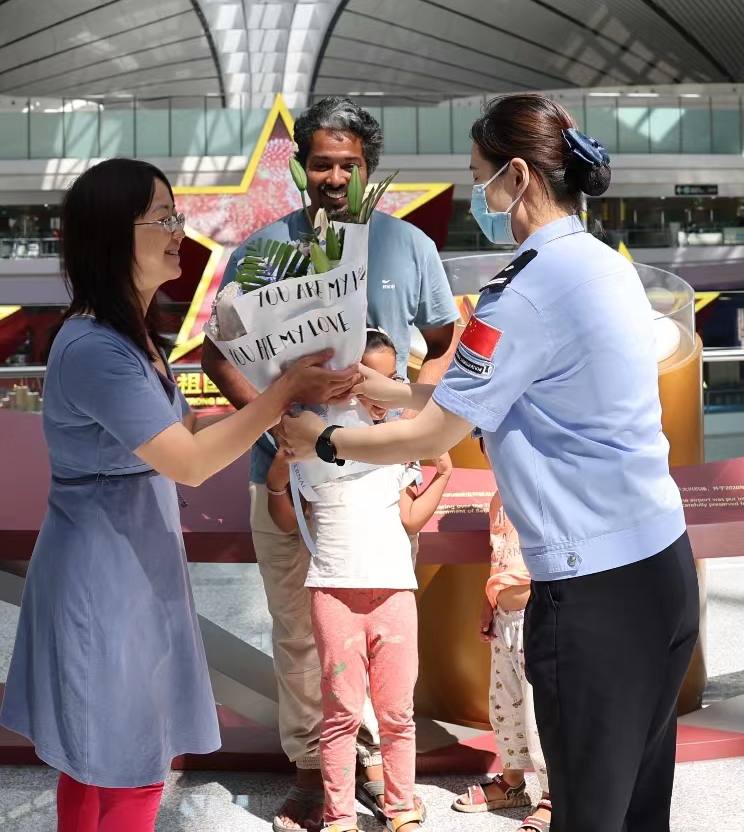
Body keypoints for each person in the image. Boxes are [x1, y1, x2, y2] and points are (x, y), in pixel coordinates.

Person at [282, 94, 700, 832]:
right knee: (640, 810)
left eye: (480, 179)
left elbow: (430, 436)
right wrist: (395, 390)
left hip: (592, 593)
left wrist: (324, 440)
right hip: (662, 566)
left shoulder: (519, 293)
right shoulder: (605, 266)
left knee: (587, 815)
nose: (479, 196)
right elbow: (527, 390)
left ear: (517, 176)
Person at [0, 158, 357, 832]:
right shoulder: (97, 349)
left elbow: (185, 432)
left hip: (127, 564)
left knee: (95, 755)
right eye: (163, 218)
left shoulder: (129, 337)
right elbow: (188, 463)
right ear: (113, 234)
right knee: (131, 758)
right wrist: (282, 393)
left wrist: (277, 395)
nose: (178, 232)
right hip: (105, 577)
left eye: (176, 216)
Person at [202, 96, 459, 831]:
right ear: (300, 169)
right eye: (322, 163)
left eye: (349, 164)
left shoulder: (409, 247)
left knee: (380, 637)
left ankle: (373, 766)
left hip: (379, 487)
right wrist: (275, 419)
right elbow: (216, 354)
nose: (336, 177)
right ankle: (313, 770)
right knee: (298, 632)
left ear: (369, 168)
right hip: (287, 481)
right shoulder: (262, 252)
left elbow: (445, 338)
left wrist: (412, 417)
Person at [265, 330, 451, 832]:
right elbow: (288, 520)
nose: (379, 391)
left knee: (397, 712)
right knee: (342, 713)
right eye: (367, 379)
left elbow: (409, 519)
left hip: (394, 593)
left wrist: (442, 476)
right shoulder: (310, 442)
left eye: (391, 378)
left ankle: (401, 809)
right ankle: (340, 816)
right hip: (334, 593)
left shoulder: (400, 443)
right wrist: (278, 480)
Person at [451, 435, 551, 831]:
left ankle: (555, 793)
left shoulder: (543, 491)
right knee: (505, 705)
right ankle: (512, 783)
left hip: (537, 617)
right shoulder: (499, 500)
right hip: (505, 620)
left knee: (539, 711)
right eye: (489, 444)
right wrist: (488, 600)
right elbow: (501, 559)